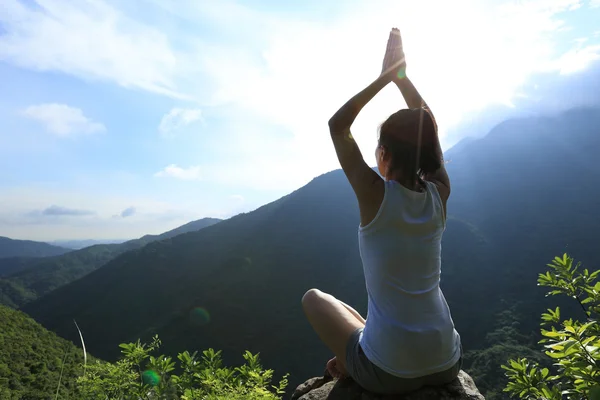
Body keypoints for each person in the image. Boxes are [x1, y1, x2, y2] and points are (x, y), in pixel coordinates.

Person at [301, 27, 462, 395]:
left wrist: (385, 78)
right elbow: (428, 124)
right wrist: (403, 78)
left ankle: (351, 363)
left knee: (313, 298)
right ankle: (353, 357)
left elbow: (337, 126)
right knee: (366, 322)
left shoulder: (374, 195)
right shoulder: (440, 194)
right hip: (446, 361)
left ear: (384, 154)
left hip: (391, 373)